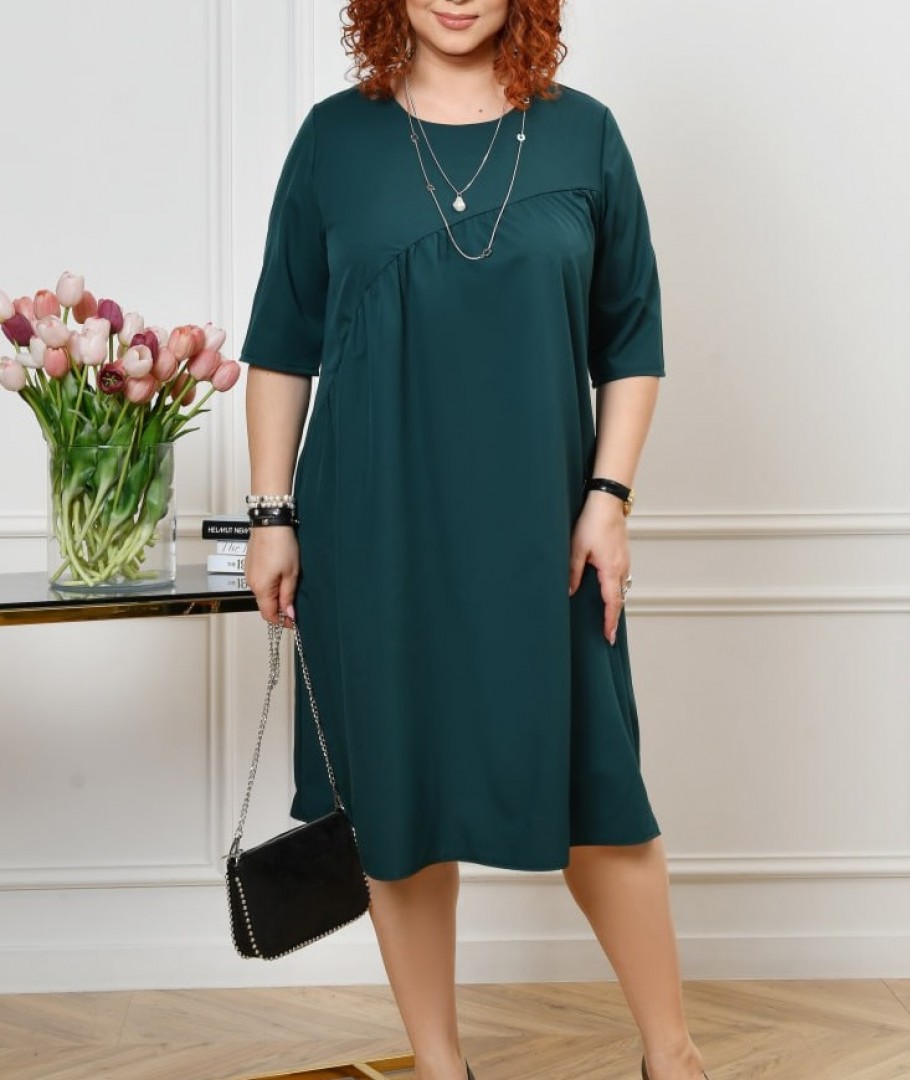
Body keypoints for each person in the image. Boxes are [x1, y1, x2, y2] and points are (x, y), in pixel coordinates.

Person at [241, 2, 710, 1079]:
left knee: (599, 794)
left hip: (544, 531)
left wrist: (608, 498)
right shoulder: (333, 140)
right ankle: (440, 1067)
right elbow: (281, 344)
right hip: (372, 529)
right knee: (395, 802)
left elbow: (632, 340)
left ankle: (673, 1057)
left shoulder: (585, 134)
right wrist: (272, 514)